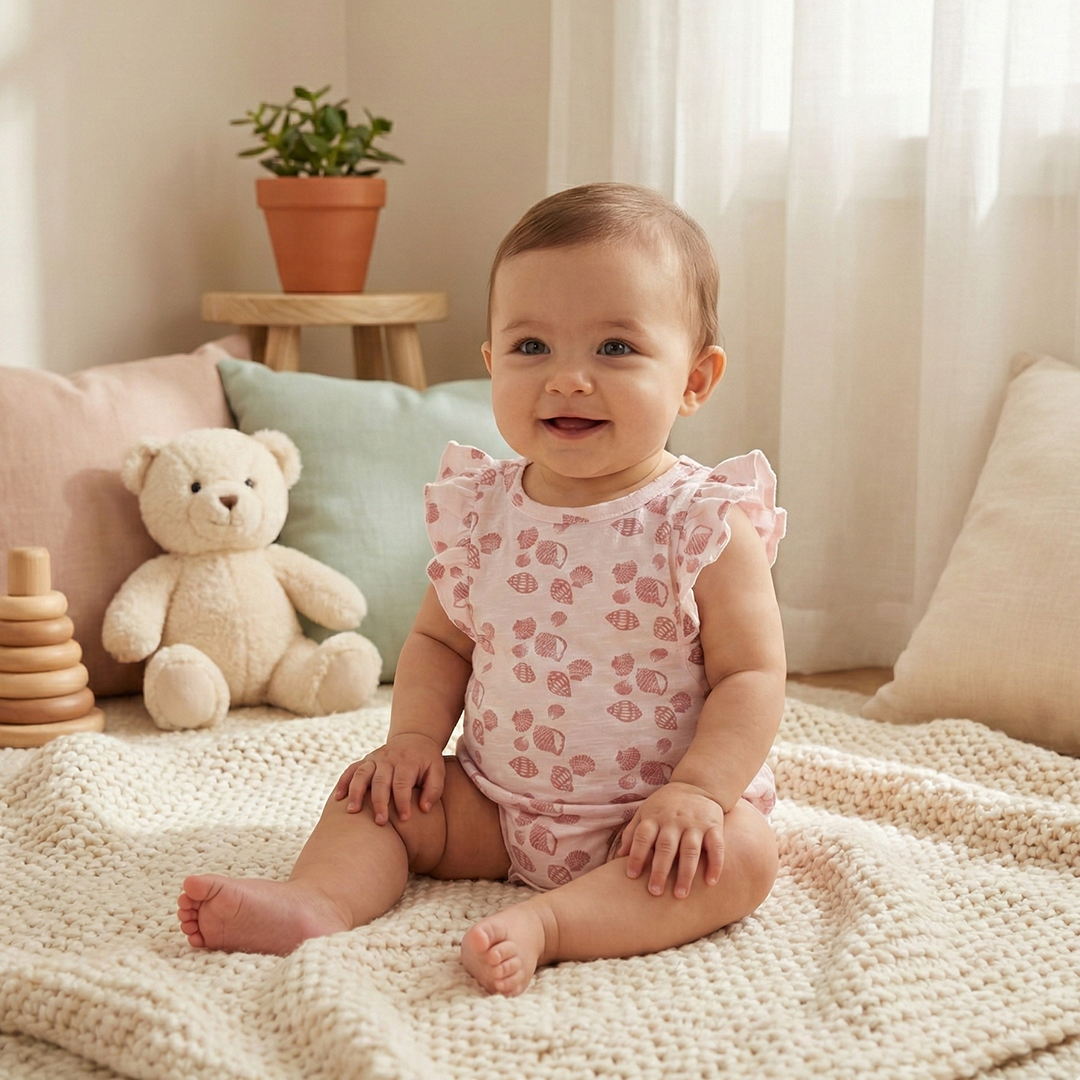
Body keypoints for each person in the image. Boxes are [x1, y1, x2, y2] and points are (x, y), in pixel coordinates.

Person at [177, 182, 787, 996]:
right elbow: (438, 642)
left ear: (694, 380)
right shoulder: (485, 511)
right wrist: (413, 746)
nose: (568, 379)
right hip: (494, 805)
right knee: (372, 795)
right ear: (493, 363)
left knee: (743, 856)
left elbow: (751, 675)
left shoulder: (701, 522)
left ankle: (558, 923)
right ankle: (317, 901)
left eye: (614, 349)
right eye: (533, 348)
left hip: (647, 822)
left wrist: (699, 793)